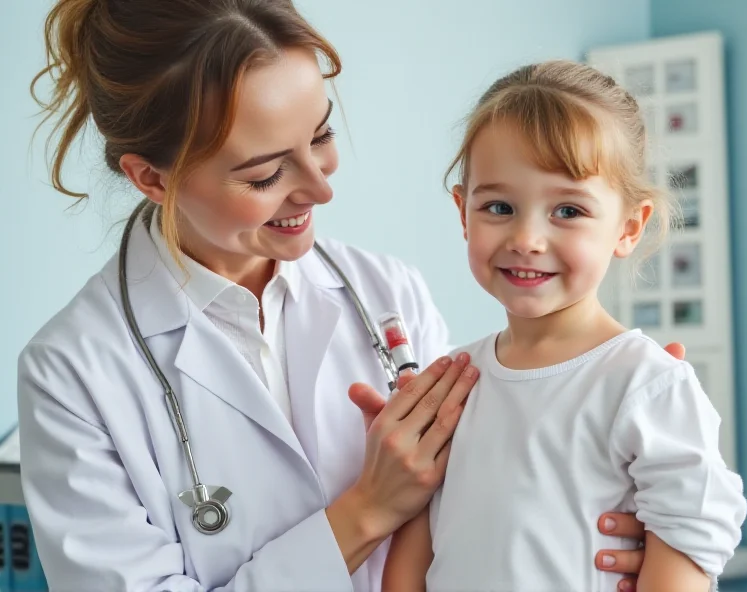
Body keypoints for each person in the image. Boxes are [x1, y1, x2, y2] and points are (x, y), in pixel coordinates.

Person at [17, 2, 686, 590]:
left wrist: (608, 453)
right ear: (151, 178)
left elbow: (475, 512)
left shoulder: (386, 293)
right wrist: (368, 508)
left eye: (322, 136)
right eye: (265, 173)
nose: (320, 187)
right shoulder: (73, 372)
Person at [381, 60, 747, 592]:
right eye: (500, 206)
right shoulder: (452, 385)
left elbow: (688, 543)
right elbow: (410, 561)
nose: (527, 238)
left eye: (568, 211)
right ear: (463, 213)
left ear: (628, 227)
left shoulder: (646, 384)